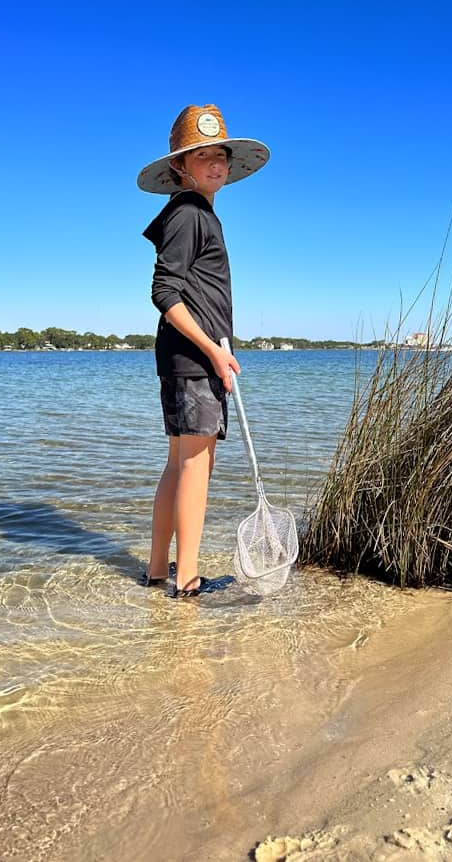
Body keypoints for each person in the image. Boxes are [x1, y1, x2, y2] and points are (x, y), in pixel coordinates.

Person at [137, 103, 270, 597]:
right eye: (202, 157)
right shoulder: (190, 213)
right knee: (195, 466)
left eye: (220, 156)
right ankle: (187, 580)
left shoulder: (194, 214)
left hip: (184, 358)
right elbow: (164, 292)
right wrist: (214, 353)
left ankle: (157, 571)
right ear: (180, 167)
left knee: (181, 463)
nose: (216, 164)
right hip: (193, 359)